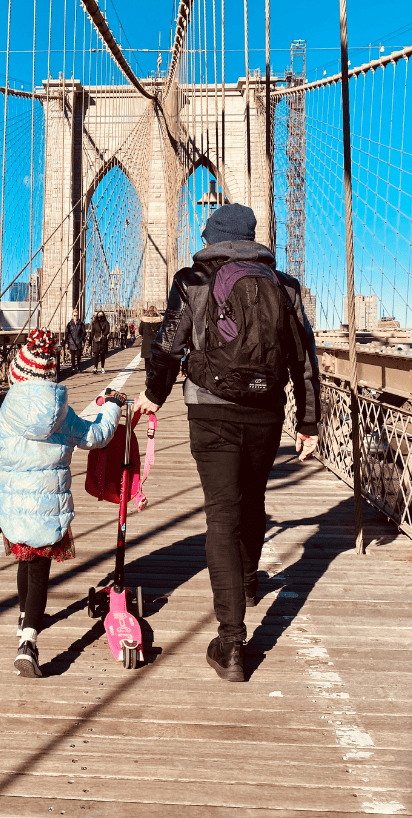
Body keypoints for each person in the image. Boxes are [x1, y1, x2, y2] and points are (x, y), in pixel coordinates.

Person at [135, 203, 320, 682]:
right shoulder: (285, 285)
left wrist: (154, 395)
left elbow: (169, 343)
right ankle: (248, 580)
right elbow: (304, 357)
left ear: (211, 238)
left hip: (209, 407)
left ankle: (232, 643)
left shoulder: (191, 281)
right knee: (253, 499)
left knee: (221, 512)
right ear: (254, 238)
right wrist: (309, 422)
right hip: (266, 410)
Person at [0, 327, 125, 677]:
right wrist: (113, 408)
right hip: (49, 510)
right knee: (40, 568)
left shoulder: (0, 421)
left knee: (24, 562)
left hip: (12, 510)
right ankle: (29, 639)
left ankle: (24, 618)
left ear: (17, 376)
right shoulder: (64, 415)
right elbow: (98, 436)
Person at [139, 306, 163, 372]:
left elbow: (140, 331)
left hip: (146, 344)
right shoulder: (160, 321)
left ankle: (148, 376)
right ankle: (155, 377)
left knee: (147, 362)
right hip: (157, 344)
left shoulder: (144, 321)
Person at [65, 309, 86, 373]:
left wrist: (81, 339)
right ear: (72, 316)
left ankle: (78, 366)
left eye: (76, 315)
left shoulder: (81, 324)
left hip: (78, 342)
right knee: (73, 356)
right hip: (72, 342)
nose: (75, 317)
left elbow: (83, 332)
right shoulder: (69, 324)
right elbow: (67, 333)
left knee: (79, 356)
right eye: (74, 315)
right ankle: (73, 367)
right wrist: (66, 341)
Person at [89, 310, 110, 374]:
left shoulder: (106, 323)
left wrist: (104, 335)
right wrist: (91, 339)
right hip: (96, 340)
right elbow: (92, 332)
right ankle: (95, 367)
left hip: (103, 340)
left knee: (102, 354)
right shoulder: (94, 323)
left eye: (101, 315)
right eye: (99, 314)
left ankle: (102, 367)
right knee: (96, 354)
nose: (100, 316)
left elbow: (107, 330)